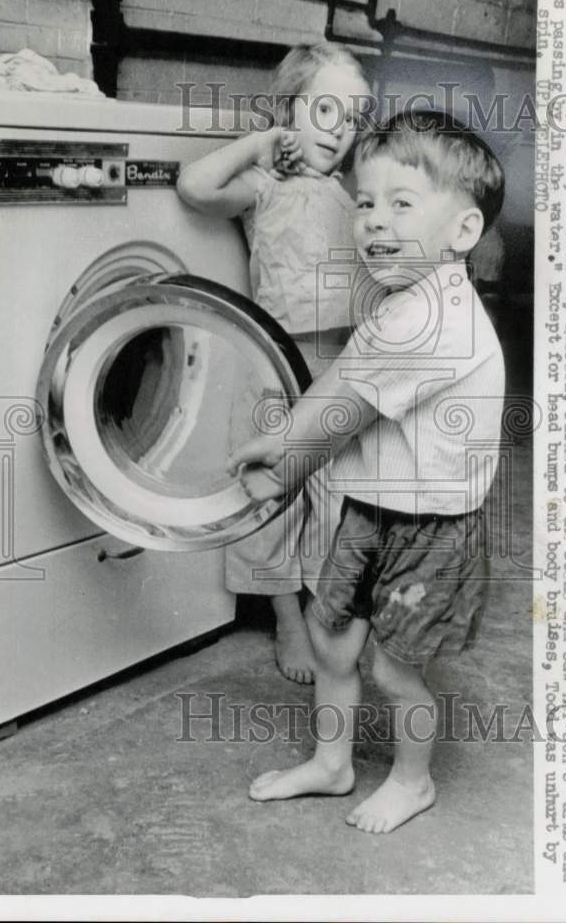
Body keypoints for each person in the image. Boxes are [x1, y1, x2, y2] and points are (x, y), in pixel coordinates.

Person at [228, 110, 507, 834]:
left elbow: (342, 411)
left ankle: (412, 782)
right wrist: (286, 437)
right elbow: (342, 380)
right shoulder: (397, 302)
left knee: (395, 668)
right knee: (332, 641)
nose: (374, 222)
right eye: (364, 203)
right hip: (369, 506)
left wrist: (283, 463)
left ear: (463, 233)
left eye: (402, 204)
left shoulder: (433, 319)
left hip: (430, 528)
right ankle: (332, 763)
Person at [177, 43, 372, 684]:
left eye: (353, 118)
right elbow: (194, 185)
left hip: (341, 366)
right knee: (272, 496)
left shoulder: (350, 196)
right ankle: (286, 620)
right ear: (289, 111)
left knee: (339, 496)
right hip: (276, 365)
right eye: (324, 111)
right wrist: (263, 144)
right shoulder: (266, 185)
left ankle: (325, 611)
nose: (340, 132)